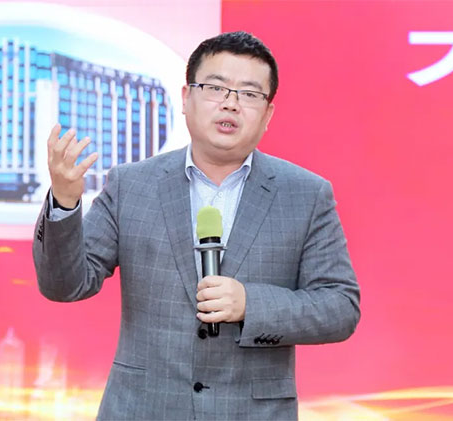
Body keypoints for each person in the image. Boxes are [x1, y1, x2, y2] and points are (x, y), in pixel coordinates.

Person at [33, 31, 361, 420]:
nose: (231, 103)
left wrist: (250, 304)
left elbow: (340, 307)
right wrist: (65, 201)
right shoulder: (131, 185)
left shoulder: (305, 194)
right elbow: (64, 285)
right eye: (216, 87)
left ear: (268, 115)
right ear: (186, 98)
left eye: (249, 93)